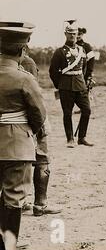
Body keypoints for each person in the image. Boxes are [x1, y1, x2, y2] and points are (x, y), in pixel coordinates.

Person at [0, 21, 46, 250]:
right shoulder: (24, 78)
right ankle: (9, 246)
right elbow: (39, 115)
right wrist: (27, 132)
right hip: (17, 145)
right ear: (22, 49)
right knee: (14, 197)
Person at [20, 55, 62, 217]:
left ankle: (18, 202)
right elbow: (32, 96)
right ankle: (40, 204)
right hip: (28, 120)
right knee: (42, 159)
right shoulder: (25, 61)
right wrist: (41, 125)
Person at [49, 20, 94, 148]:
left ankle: (82, 137)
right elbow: (52, 71)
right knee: (67, 113)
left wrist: (84, 82)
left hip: (80, 85)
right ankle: (70, 139)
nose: (72, 36)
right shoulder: (59, 52)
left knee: (87, 110)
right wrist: (60, 85)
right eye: (70, 34)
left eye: (74, 34)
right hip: (66, 86)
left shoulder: (82, 50)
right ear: (65, 34)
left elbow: (84, 67)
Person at [76, 27, 96, 92]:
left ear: (82, 35)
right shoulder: (70, 46)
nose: (78, 36)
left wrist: (88, 74)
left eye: (80, 34)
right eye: (76, 34)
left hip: (83, 75)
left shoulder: (86, 46)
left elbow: (91, 60)